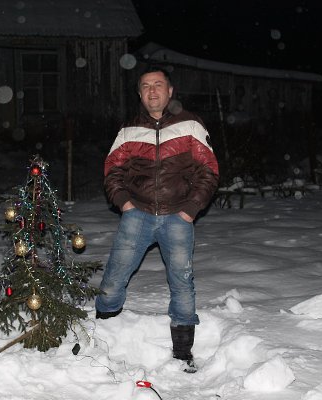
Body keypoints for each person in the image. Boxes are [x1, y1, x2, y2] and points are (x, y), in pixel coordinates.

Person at [95, 66, 219, 373]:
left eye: (158, 84)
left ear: (170, 90)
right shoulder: (129, 129)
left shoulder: (190, 125)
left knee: (182, 283)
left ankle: (183, 352)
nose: (153, 91)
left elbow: (209, 169)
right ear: (139, 93)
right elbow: (113, 169)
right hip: (137, 215)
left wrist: (191, 208)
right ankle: (103, 339)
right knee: (113, 279)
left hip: (178, 216)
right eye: (146, 86)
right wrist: (125, 204)